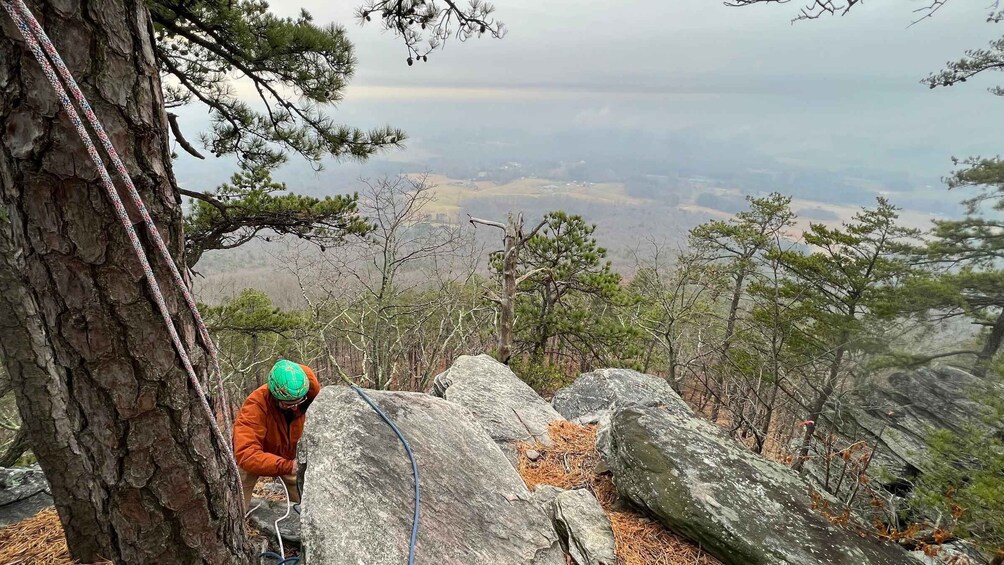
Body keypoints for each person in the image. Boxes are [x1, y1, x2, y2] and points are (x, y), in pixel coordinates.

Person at [233, 359, 320, 508]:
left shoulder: (308, 387)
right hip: (260, 453)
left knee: (305, 501)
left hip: (292, 453)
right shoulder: (255, 405)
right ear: (274, 396)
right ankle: (237, 520)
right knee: (241, 484)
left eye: (299, 402)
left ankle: (304, 518)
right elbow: (246, 454)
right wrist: (287, 466)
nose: (295, 408)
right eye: (288, 404)